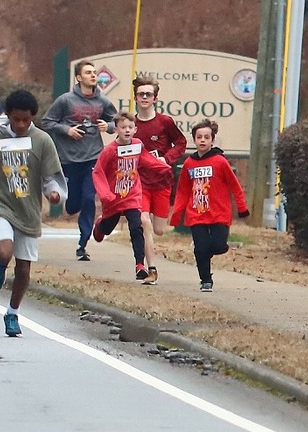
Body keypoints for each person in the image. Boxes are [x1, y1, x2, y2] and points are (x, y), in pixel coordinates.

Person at [0, 88, 66, 337]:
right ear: (8, 115)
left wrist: (54, 193)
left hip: (28, 209)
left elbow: (51, 175)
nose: (21, 124)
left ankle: (12, 312)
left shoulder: (42, 140)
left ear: (33, 117)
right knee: (5, 250)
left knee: (23, 269)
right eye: (16, 119)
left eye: (26, 120)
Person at [42, 60, 114, 259]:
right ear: (79, 77)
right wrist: (67, 130)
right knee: (74, 204)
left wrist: (106, 126)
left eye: (94, 72)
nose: (93, 75)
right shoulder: (65, 100)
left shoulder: (103, 101)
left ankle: (83, 242)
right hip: (69, 159)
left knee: (89, 197)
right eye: (88, 72)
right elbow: (47, 122)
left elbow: (116, 121)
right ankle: (72, 206)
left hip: (93, 157)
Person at [91, 111, 173, 283]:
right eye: (122, 127)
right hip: (114, 199)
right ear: (116, 130)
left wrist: (162, 167)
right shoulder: (109, 151)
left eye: (130, 127)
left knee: (137, 227)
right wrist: (105, 194)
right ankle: (100, 226)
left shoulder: (137, 145)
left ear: (135, 129)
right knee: (107, 228)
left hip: (133, 196)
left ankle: (139, 266)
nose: (126, 131)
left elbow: (145, 159)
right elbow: (98, 173)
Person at [170, 118, 249, 292]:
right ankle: (206, 279)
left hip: (219, 213)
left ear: (212, 140)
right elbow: (183, 191)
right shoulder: (189, 164)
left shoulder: (220, 162)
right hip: (196, 214)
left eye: (207, 137)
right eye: (199, 137)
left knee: (219, 246)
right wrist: (177, 215)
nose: (203, 140)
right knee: (200, 248)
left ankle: (212, 251)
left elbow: (235, 186)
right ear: (194, 140)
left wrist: (242, 207)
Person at [129, 76, 187, 249]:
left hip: (162, 181)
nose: (145, 97)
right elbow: (120, 146)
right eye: (141, 94)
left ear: (155, 98)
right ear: (136, 98)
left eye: (148, 94)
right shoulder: (131, 124)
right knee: (144, 221)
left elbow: (180, 143)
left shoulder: (164, 122)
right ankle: (148, 263)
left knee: (159, 230)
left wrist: (166, 159)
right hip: (140, 182)